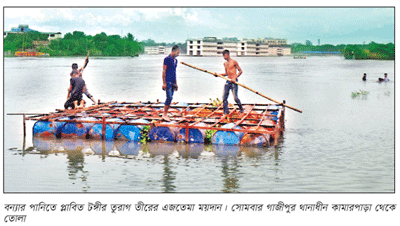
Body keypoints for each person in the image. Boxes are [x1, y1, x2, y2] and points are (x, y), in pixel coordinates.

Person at [220, 49, 244, 115]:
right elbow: (226, 73)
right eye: (223, 56)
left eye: (224, 56)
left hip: (234, 81)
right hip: (228, 80)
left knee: (235, 98)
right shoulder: (225, 63)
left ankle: (241, 109)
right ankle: (225, 112)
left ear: (228, 55)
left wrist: (235, 77)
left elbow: (240, 71)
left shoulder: (234, 62)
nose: (224, 58)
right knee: (224, 97)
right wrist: (218, 74)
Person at [162, 45, 180, 121]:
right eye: (177, 52)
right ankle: (164, 114)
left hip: (173, 81)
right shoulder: (167, 59)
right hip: (168, 81)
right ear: (173, 51)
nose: (178, 54)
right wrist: (164, 83)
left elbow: (174, 72)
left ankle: (166, 112)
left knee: (171, 98)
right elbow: (164, 71)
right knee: (169, 97)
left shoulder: (175, 60)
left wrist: (176, 83)